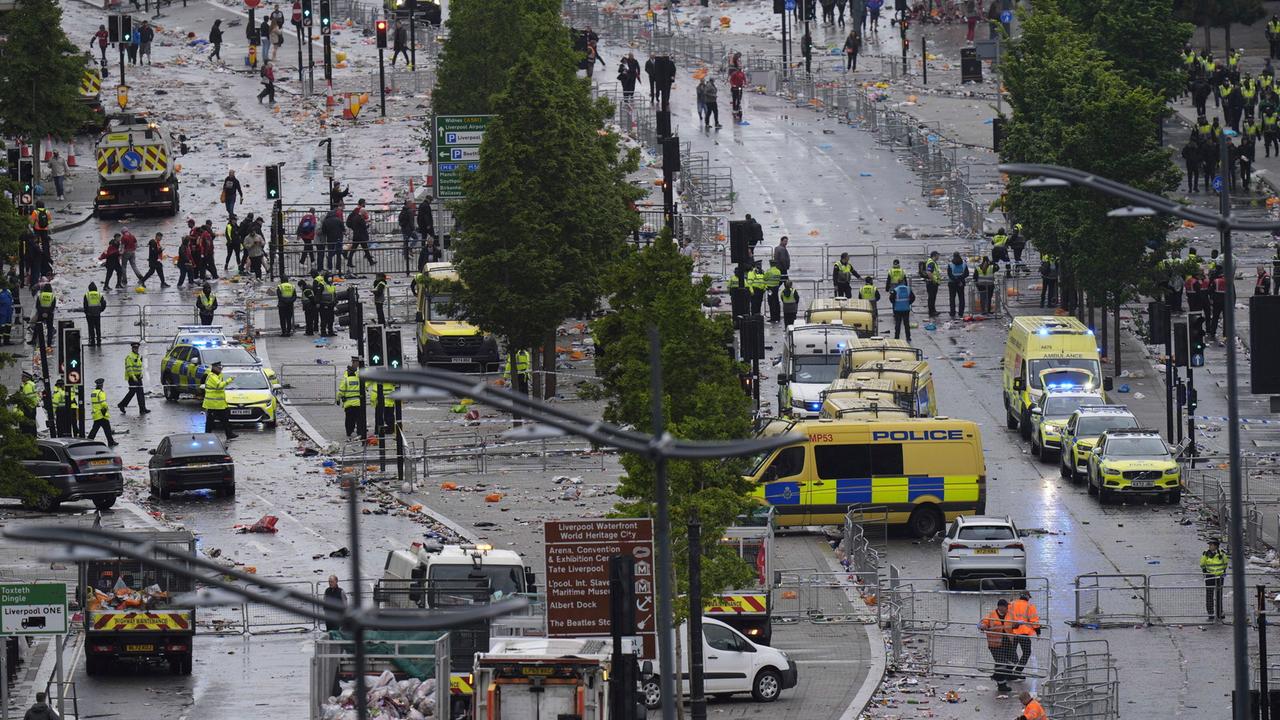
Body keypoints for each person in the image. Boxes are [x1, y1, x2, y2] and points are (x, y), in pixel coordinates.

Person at [980, 599, 1015, 693]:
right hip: (995, 644)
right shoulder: (991, 615)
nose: (1007, 608)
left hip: (1007, 642)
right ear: (1000, 607)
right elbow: (984, 622)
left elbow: (1013, 623)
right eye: (1006, 607)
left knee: (1013, 660)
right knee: (1001, 663)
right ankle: (1001, 685)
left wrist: (1017, 624)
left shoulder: (1009, 614)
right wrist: (982, 626)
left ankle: (997, 675)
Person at [1008, 590, 1041, 678]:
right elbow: (1034, 621)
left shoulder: (1011, 604)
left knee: (1011, 653)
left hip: (1012, 632)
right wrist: (1038, 632)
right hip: (1024, 634)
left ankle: (1008, 673)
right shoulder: (1030, 606)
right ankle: (1017, 672)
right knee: (1026, 652)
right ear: (1027, 597)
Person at [202, 361, 238, 440]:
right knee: (210, 421)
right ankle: (207, 435)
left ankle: (229, 434)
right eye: (219, 368)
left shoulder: (217, 375)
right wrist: (230, 379)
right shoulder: (212, 376)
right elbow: (220, 385)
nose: (220, 369)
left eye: (221, 368)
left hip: (219, 404)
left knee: (225, 419)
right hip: (212, 404)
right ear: (214, 368)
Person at [1201, 537, 1229, 621]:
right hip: (1210, 576)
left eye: (1211, 545)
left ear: (1216, 546)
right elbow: (1202, 563)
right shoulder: (1206, 554)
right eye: (1209, 545)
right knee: (1209, 595)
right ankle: (1211, 613)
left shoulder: (1222, 554)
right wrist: (1206, 571)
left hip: (1219, 577)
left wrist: (1221, 572)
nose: (1210, 546)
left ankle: (1219, 612)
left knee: (1219, 595)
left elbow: (1225, 564)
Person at [337, 357, 365, 439]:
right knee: (359, 419)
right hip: (358, 402)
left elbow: (341, 391)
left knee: (349, 419)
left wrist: (338, 399)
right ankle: (360, 432)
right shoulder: (358, 378)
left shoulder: (345, 379)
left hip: (349, 404)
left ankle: (349, 432)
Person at [118, 341, 149, 414]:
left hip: (138, 377)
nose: (136, 349)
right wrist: (133, 376)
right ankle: (121, 404)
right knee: (132, 392)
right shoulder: (129, 357)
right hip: (132, 378)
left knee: (140, 393)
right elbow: (129, 368)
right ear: (132, 348)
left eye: (137, 348)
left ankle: (143, 409)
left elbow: (139, 366)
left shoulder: (138, 356)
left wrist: (141, 374)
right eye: (134, 348)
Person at [87, 378, 117, 447]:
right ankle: (111, 442)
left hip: (96, 413)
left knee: (95, 428)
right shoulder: (101, 393)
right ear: (101, 385)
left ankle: (89, 440)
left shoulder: (93, 393)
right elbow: (103, 403)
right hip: (102, 414)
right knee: (106, 429)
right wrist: (107, 408)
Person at [346, 200, 376, 266]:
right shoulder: (360, 219)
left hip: (356, 235)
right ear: (363, 213)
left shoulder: (355, 218)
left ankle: (370, 262)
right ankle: (370, 262)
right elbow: (364, 227)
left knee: (359, 249)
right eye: (365, 213)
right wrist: (368, 225)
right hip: (361, 236)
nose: (365, 214)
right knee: (363, 249)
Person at [890, 276, 915, 341]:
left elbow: (891, 298)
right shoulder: (908, 289)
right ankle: (908, 337)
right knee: (906, 324)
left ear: (898, 283)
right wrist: (908, 303)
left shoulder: (895, 290)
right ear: (904, 282)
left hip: (897, 309)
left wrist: (895, 303)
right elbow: (913, 297)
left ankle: (897, 337)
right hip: (906, 309)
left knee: (898, 324)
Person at [82, 282, 106, 347]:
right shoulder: (99, 294)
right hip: (97, 314)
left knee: (91, 328)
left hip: (89, 315)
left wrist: (86, 312)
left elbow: (85, 305)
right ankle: (99, 341)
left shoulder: (87, 295)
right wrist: (100, 310)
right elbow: (104, 303)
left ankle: (92, 341)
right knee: (98, 328)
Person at [947, 252, 969, 318]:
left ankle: (952, 313)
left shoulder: (950, 264)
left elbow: (950, 275)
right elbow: (966, 274)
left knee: (952, 298)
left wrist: (956, 280)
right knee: (961, 298)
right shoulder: (964, 264)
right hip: (961, 283)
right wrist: (960, 280)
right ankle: (961, 313)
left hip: (952, 283)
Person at [32, 282, 55, 346]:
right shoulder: (52, 296)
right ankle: (49, 343)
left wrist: (42, 312)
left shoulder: (40, 295)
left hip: (41, 313)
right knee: (49, 329)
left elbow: (37, 306)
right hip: (49, 314)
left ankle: (33, 340)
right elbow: (53, 306)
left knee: (37, 326)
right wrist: (47, 312)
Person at [317, 272, 337, 336]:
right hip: (324, 305)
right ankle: (323, 332)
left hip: (331, 305)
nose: (330, 278)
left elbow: (334, 294)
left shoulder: (332, 285)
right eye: (329, 277)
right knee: (324, 319)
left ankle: (330, 331)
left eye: (331, 277)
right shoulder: (322, 285)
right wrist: (319, 303)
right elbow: (318, 295)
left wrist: (335, 302)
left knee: (331, 319)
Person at [923, 250, 942, 316]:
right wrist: (934, 280)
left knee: (933, 298)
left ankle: (933, 310)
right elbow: (929, 272)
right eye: (938, 255)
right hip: (931, 283)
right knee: (931, 297)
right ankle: (931, 312)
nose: (938, 257)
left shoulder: (933, 262)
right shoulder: (931, 263)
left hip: (932, 283)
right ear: (935, 255)